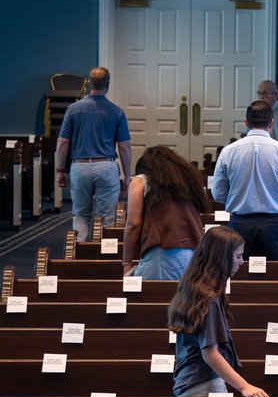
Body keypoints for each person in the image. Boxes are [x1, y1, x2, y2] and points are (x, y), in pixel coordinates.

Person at [167, 226, 273, 397]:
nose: (242, 261)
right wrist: (245, 387)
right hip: (204, 383)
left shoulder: (193, 290)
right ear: (222, 258)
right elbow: (210, 353)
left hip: (190, 382)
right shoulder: (210, 299)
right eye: (238, 256)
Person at [211, 100, 278, 261]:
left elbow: (218, 194)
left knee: (241, 278)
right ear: (272, 123)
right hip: (275, 224)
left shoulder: (228, 152)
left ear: (246, 122)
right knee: (276, 279)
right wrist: (277, 200)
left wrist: (240, 199)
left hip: (240, 222)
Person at [55, 67, 133, 242]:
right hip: (106, 165)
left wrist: (60, 170)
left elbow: (62, 142)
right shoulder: (116, 111)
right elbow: (125, 147)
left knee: (80, 214)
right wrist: (127, 176)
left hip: (80, 166)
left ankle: (79, 256)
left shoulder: (73, 110)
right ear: (108, 84)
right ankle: (103, 258)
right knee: (106, 217)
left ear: (89, 83)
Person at [122, 146, 209, 279]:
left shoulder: (140, 180)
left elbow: (133, 224)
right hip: (195, 255)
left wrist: (127, 263)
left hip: (163, 253)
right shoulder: (187, 182)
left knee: (153, 298)